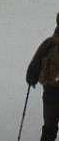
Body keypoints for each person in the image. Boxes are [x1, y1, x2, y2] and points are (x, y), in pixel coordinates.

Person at [27, 11, 59, 141]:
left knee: (49, 129)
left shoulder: (49, 43)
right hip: (51, 93)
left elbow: (35, 63)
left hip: (51, 94)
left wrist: (31, 78)